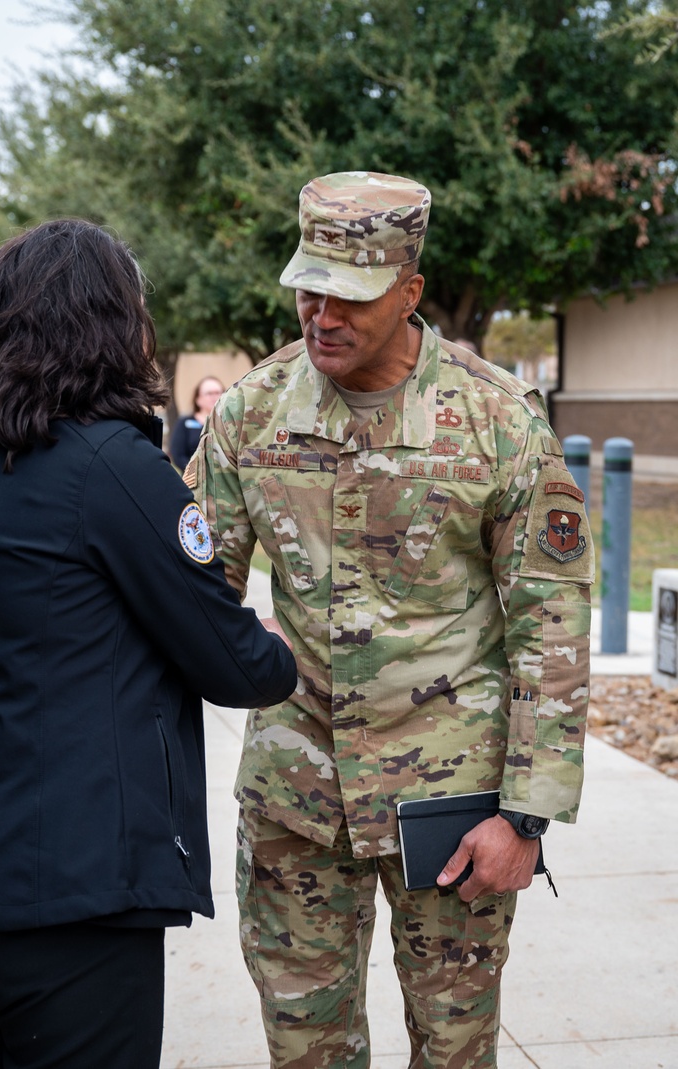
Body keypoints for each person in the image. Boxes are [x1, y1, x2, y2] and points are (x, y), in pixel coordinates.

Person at [186, 172, 593, 1069]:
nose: (320, 314)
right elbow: (192, 591)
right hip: (298, 799)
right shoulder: (253, 413)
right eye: (307, 286)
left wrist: (527, 817)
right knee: (306, 1051)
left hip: (452, 813)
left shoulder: (496, 422)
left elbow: (551, 623)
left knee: (454, 1051)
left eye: (350, 295)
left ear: (409, 292)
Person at [0, 218, 298, 1069]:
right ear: (109, 326)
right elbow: (230, 662)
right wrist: (276, 642)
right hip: (66, 899)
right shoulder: (113, 466)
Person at [169, 375, 225, 470]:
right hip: (193, 479)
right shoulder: (185, 423)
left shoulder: (230, 423)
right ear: (198, 399)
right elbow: (178, 455)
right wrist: (196, 471)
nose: (215, 397)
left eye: (218, 392)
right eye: (209, 393)